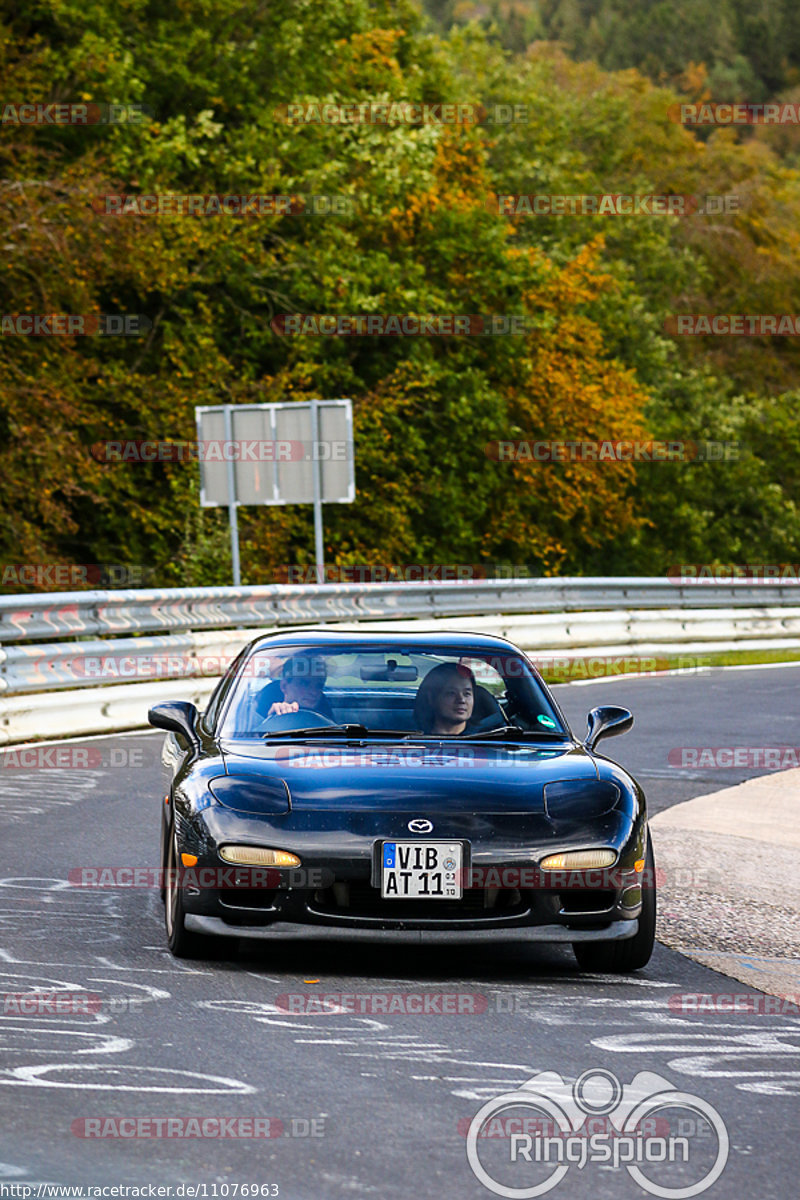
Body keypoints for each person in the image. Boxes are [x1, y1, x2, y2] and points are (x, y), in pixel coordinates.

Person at [260, 653, 333, 720]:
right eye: (304, 684)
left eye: (319, 686)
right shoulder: (265, 713)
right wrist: (273, 717)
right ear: (284, 686)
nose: (314, 692)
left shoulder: (326, 716)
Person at [413, 662, 476, 735]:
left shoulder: (484, 738)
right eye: (451, 693)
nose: (461, 700)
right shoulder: (412, 740)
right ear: (431, 698)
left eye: (467, 694)